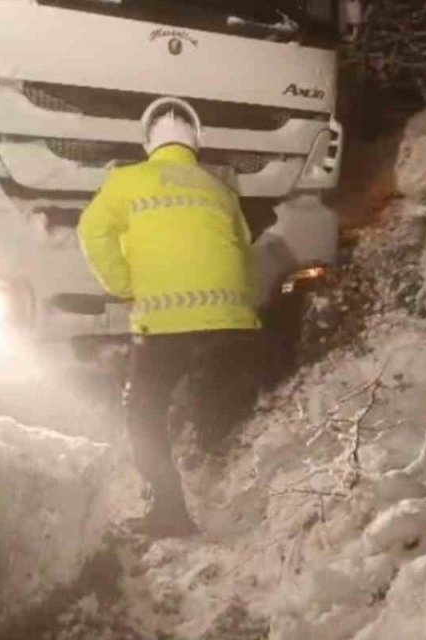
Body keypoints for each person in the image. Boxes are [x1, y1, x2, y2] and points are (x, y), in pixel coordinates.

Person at [77, 98, 262, 538]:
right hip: (233, 320)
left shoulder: (126, 181)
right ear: (195, 143)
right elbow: (245, 246)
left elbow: (91, 230)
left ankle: (171, 512)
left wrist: (123, 284)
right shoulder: (219, 189)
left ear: (148, 143)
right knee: (216, 407)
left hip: (165, 323)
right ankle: (232, 487)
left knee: (142, 411)